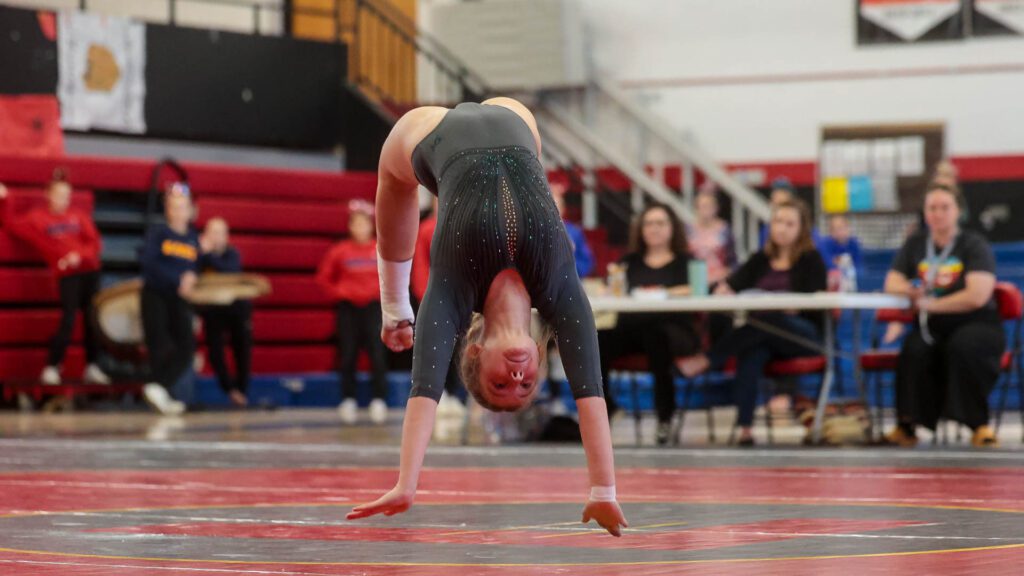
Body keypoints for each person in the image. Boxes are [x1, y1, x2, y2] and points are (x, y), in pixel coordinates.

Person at [346, 98, 627, 536]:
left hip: (428, 134)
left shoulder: (455, 291)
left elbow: (424, 390)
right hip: (516, 120)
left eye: (500, 384)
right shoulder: (559, 291)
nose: (517, 379)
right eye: (526, 385)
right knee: (519, 145)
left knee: (394, 181)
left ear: (475, 352)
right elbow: (590, 392)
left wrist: (406, 483)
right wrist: (603, 490)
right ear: (538, 358)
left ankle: (393, 303)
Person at [680, 198, 827, 446]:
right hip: (763, 335)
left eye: (790, 224)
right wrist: (723, 290)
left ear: (802, 229)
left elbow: (814, 304)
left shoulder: (812, 260)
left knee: (770, 318)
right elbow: (732, 285)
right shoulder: (760, 259)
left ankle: (710, 358)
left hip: (802, 336)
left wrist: (782, 305)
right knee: (752, 352)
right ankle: (745, 428)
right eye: (778, 222)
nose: (782, 228)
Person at [883, 183, 1003, 447]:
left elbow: (977, 295)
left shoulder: (974, 244)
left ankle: (978, 424)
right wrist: (909, 289)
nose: (937, 213)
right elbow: (891, 282)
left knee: (964, 346)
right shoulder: (915, 244)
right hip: (933, 326)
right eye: (932, 208)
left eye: (944, 207)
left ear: (958, 210)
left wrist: (931, 305)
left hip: (976, 322)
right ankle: (907, 424)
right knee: (915, 348)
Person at [600, 203, 701, 445]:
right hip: (632, 329)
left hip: (673, 331)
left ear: (672, 228)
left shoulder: (686, 262)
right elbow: (610, 288)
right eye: (649, 223)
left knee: (656, 337)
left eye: (660, 223)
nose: (654, 229)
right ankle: (606, 406)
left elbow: (696, 289)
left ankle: (665, 417)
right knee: (597, 339)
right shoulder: (628, 262)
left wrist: (662, 293)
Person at [0, 172, 110, 386]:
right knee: (68, 319)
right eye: (59, 195)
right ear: (48, 195)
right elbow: (11, 223)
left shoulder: (78, 216)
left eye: (67, 195)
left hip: (90, 272)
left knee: (92, 320)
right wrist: (5, 199)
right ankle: (52, 366)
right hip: (67, 275)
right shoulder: (37, 219)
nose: (64, 200)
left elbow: (95, 243)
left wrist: (80, 255)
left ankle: (92, 366)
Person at [316, 200, 389, 425]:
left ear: (371, 225)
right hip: (348, 310)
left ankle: (379, 399)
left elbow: (392, 275)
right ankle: (348, 399)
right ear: (349, 226)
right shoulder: (340, 251)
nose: (360, 228)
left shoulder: (380, 249)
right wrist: (340, 293)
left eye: (364, 223)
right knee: (348, 355)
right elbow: (323, 278)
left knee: (377, 354)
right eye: (356, 223)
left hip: (374, 309)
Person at [140, 183, 199, 416]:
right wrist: (177, 280)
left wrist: (192, 278)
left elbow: (195, 267)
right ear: (167, 210)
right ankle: (159, 390)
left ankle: (159, 387)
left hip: (178, 300)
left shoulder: (193, 239)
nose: (178, 211)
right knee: (159, 345)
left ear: (190, 210)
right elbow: (149, 263)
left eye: (182, 207)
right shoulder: (159, 234)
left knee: (186, 346)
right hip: (156, 295)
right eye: (173, 207)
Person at [411, 195, 465, 417]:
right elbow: (420, 265)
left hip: (458, 297)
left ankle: (454, 393)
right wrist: (425, 295)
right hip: (434, 297)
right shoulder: (426, 229)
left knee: (456, 348)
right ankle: (436, 394)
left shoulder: (461, 227)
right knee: (435, 348)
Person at [196, 218, 252, 408]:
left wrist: (208, 255)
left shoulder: (232, 254)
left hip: (236, 308)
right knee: (215, 351)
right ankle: (229, 389)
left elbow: (230, 271)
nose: (216, 237)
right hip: (213, 309)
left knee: (242, 348)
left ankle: (242, 389)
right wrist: (202, 254)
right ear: (205, 235)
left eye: (220, 233)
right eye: (212, 232)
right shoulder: (198, 256)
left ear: (227, 236)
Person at [685, 186, 736, 285]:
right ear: (696, 208)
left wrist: (727, 273)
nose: (706, 210)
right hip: (693, 278)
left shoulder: (725, 229)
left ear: (716, 208)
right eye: (702, 206)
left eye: (709, 206)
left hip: (719, 279)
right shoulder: (687, 229)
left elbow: (732, 260)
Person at [551, 181, 594, 278]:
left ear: (563, 209)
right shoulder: (537, 232)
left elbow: (587, 262)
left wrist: (569, 260)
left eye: (556, 206)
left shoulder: (574, 232)